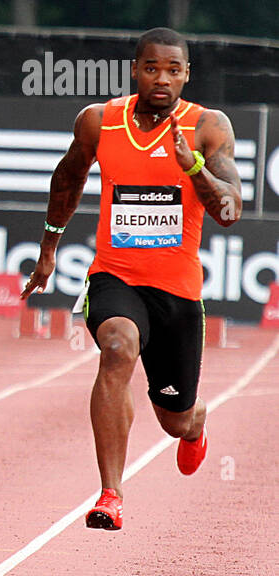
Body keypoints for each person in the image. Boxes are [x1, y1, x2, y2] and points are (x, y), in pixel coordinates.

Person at [22, 27, 242, 531]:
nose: (161, 79)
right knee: (117, 346)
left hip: (178, 293)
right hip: (115, 278)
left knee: (175, 418)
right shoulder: (100, 122)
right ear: (134, 70)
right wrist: (49, 248)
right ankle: (111, 493)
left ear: (187, 74)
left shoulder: (207, 127)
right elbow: (68, 177)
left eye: (173, 69)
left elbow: (230, 209)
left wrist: (196, 171)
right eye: (151, 68)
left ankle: (195, 424)